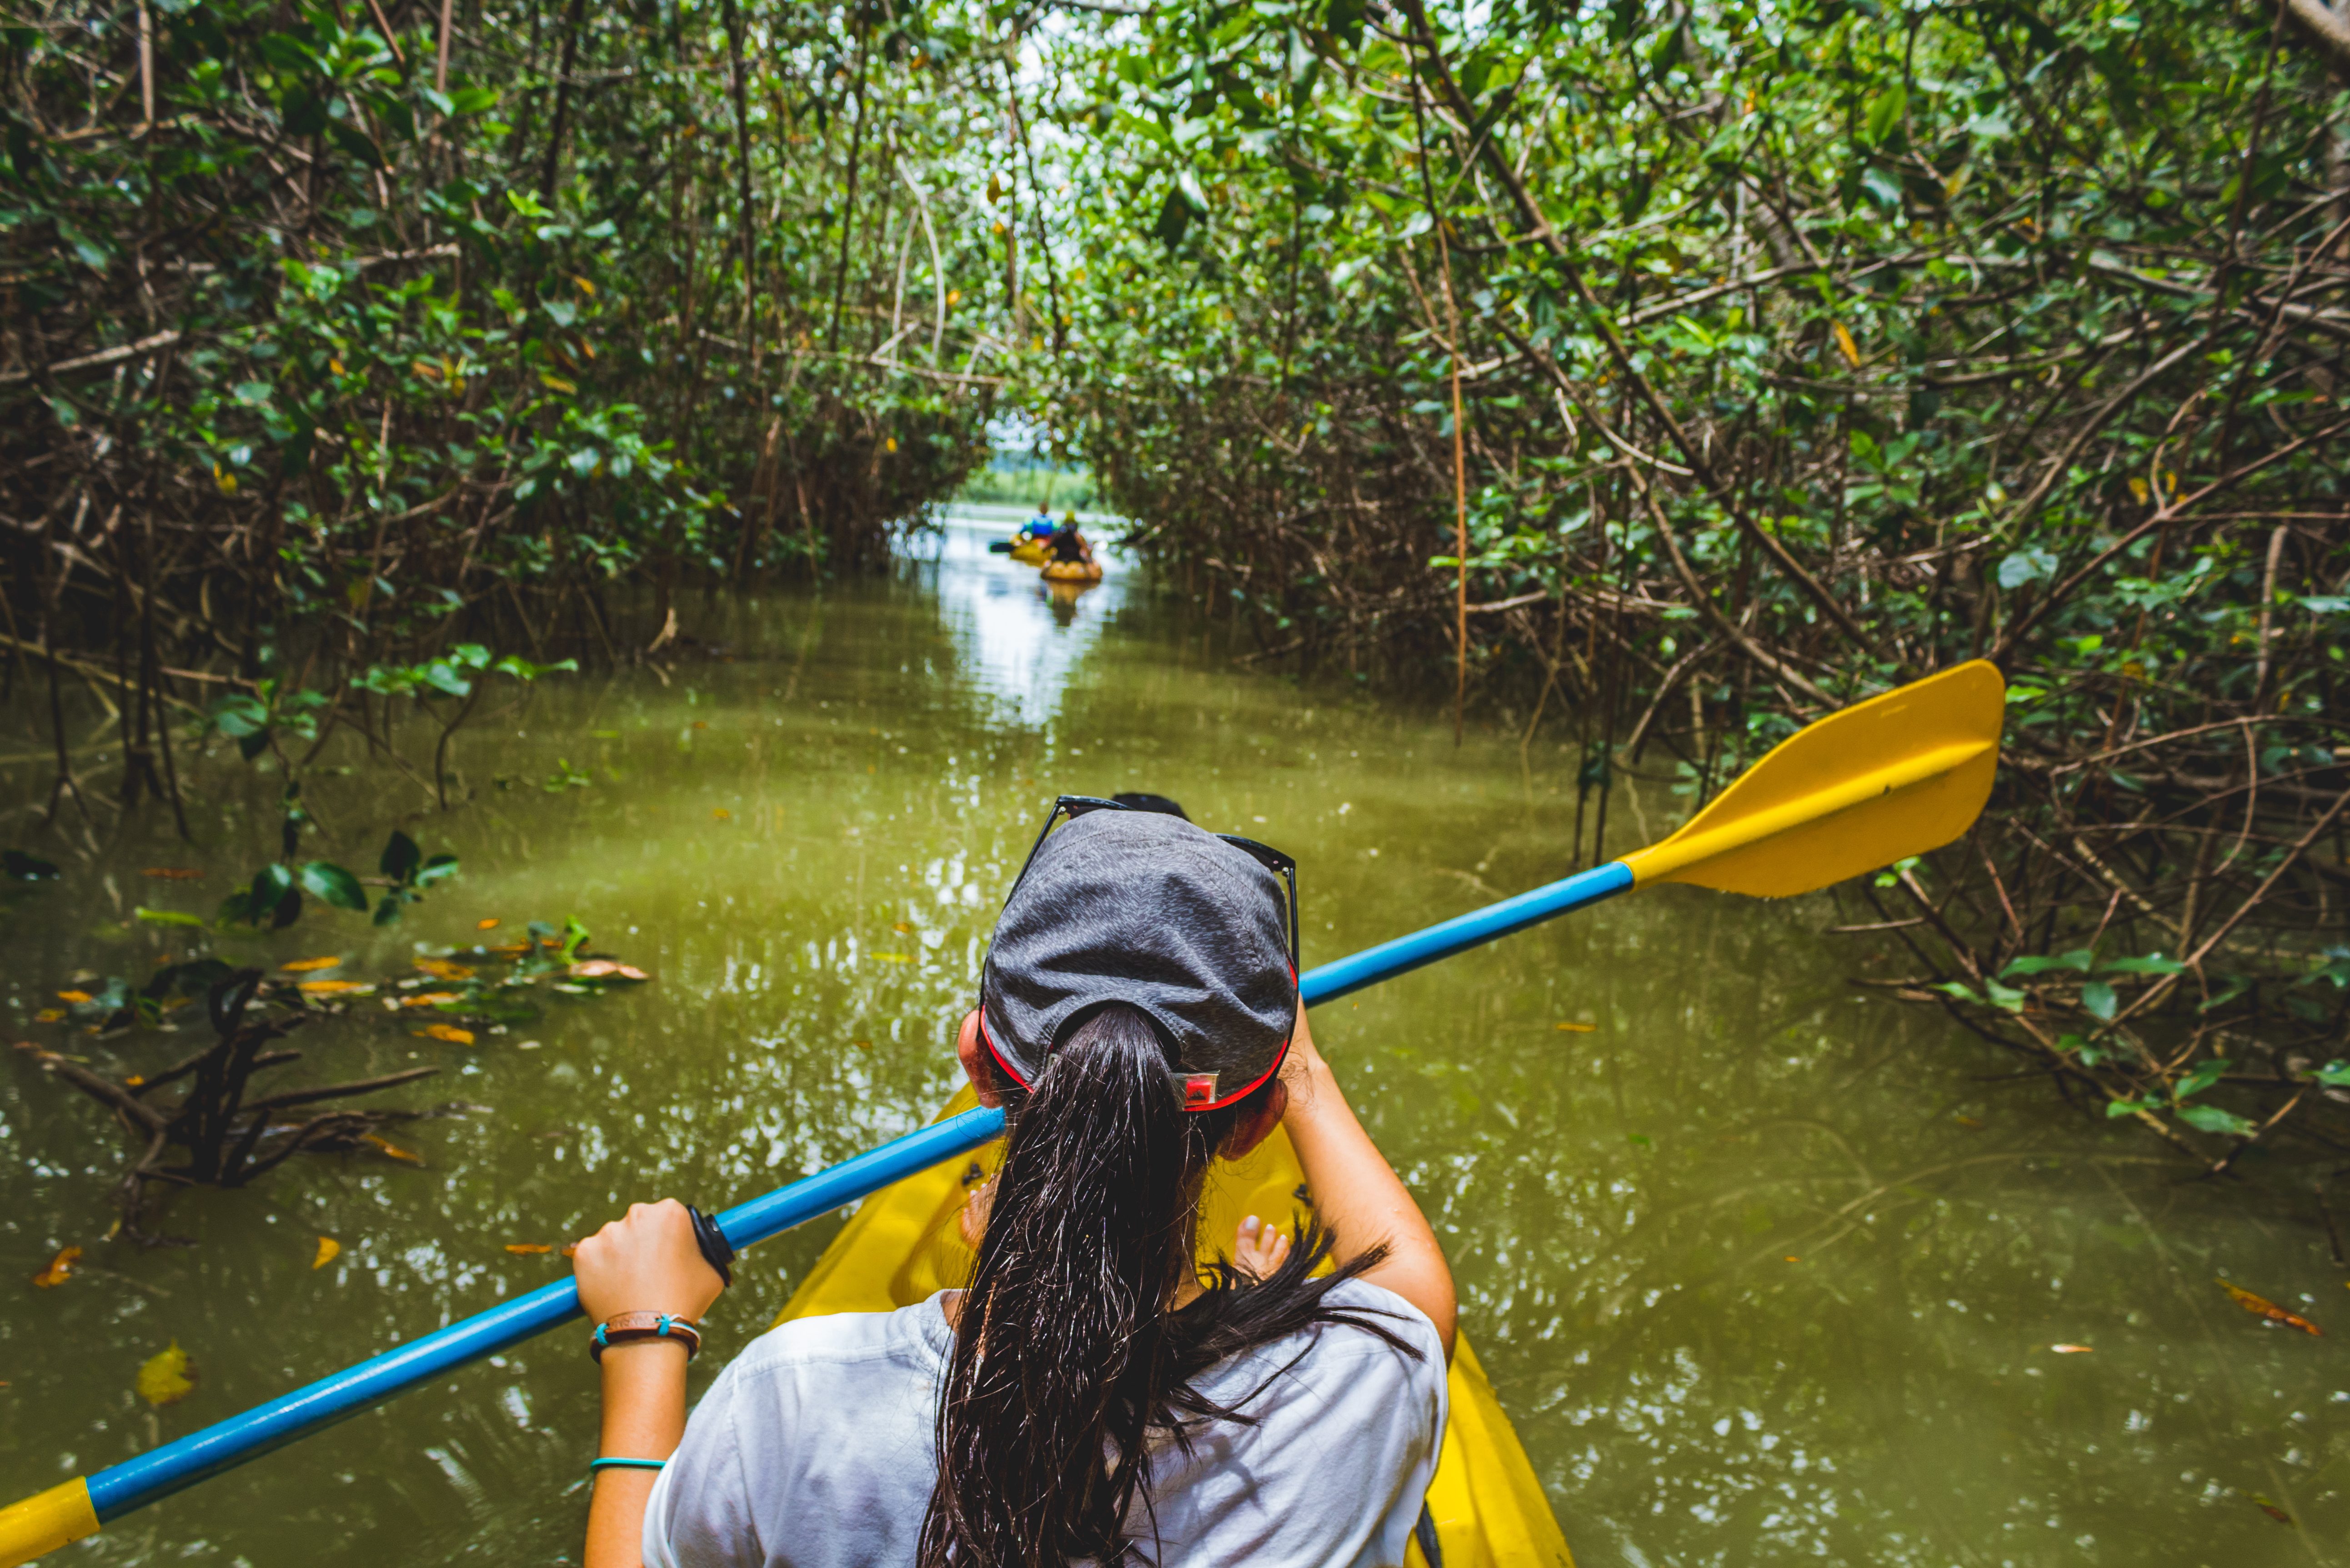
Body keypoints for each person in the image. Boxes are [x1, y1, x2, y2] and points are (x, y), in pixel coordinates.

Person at [571, 803, 1456, 1568]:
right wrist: (1299, 1065)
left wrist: (647, 1332)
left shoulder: (795, 1396)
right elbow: (1412, 1286)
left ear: (979, 1060)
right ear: (1258, 1119)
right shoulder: (1360, 1382)